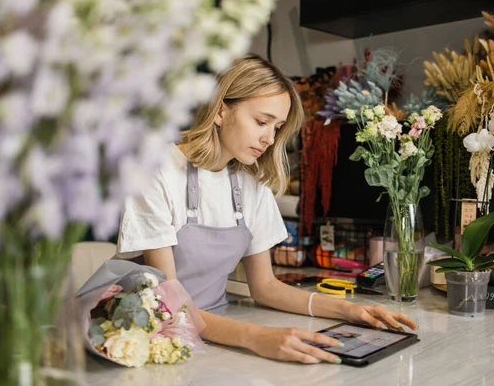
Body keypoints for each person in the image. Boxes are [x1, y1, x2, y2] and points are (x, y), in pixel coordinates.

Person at [116, 53, 417, 364]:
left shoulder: (252, 183)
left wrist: (350, 310)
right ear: (221, 111)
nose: (269, 139)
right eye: (261, 121)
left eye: (277, 127)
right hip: (148, 335)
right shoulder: (154, 170)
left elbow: (265, 287)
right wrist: (256, 337)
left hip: (214, 333)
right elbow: (166, 301)